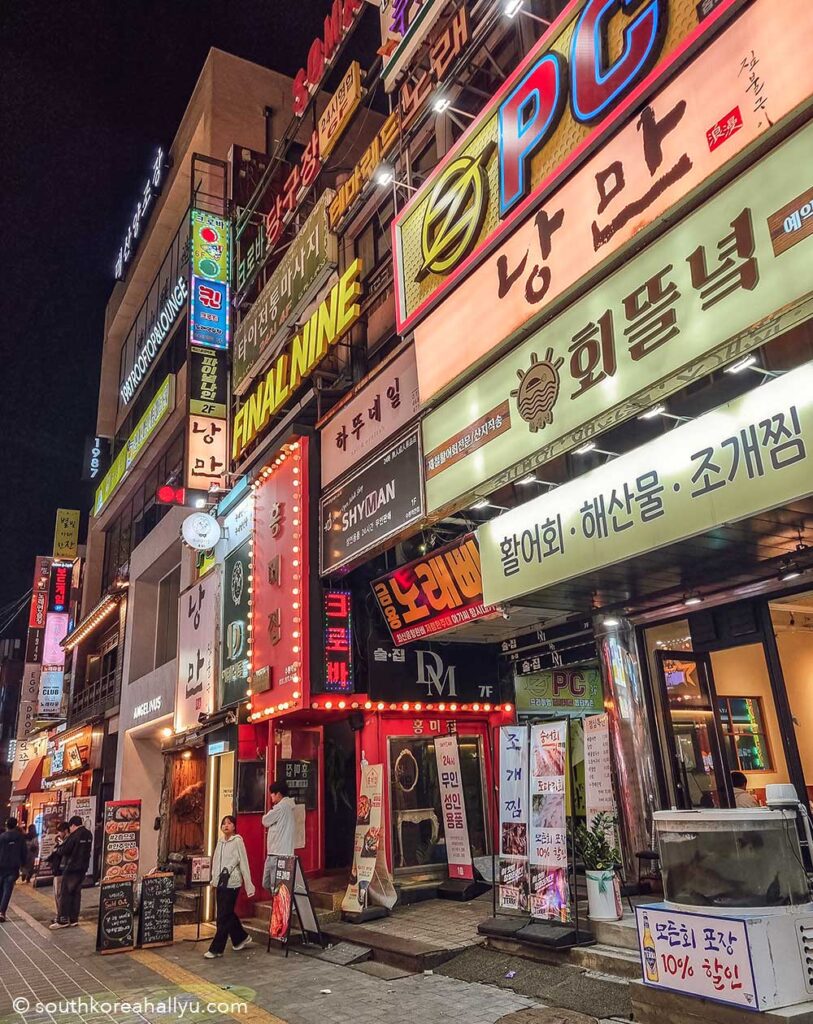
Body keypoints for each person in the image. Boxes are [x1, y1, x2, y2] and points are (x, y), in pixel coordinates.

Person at [205, 815, 255, 959]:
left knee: (223, 916)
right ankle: (240, 938)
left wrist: (248, 884)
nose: (226, 826)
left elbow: (243, 862)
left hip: (232, 883)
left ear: (234, 827)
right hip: (220, 883)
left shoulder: (238, 841)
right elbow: (215, 862)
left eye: (229, 823)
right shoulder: (220, 842)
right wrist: (214, 880)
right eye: (223, 823)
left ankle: (216, 949)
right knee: (226, 913)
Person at [50, 815, 92, 929]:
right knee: (76, 893)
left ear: (73, 825)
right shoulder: (89, 834)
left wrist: (58, 849)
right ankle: (74, 919)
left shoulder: (74, 835)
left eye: (71, 827)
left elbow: (65, 850)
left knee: (66, 893)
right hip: (83, 868)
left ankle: (63, 920)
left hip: (71, 867)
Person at [262, 781, 296, 893]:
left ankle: (281, 909)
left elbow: (265, 821)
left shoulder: (280, 807)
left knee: (275, 886)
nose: (271, 796)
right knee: (274, 885)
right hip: (282, 853)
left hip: (277, 854)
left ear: (279, 794)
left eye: (272, 793)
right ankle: (284, 907)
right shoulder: (289, 807)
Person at [0, 818, 27, 921]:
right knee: (7, 889)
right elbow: (24, 852)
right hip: (13, 867)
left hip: (1, 866)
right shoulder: (20, 838)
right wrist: (23, 865)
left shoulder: (2, 837)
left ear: (7, 825)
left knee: (1, 888)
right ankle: (2, 912)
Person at [47, 822, 70, 923]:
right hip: (58, 871)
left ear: (65, 831)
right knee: (58, 895)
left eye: (60, 832)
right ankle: (60, 915)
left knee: (59, 895)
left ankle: (61, 916)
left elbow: (61, 853)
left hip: (61, 871)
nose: (59, 834)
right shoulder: (62, 842)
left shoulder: (67, 842)